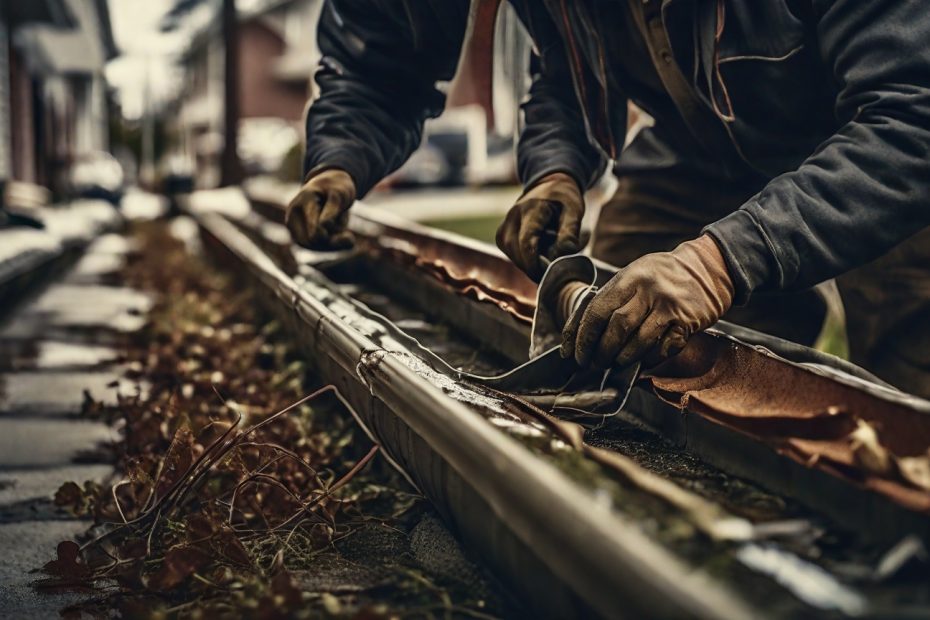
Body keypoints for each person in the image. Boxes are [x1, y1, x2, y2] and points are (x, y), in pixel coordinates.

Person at [493, 1, 930, 397]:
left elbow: (913, 123)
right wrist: (555, 169)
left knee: (906, 395)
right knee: (620, 321)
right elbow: (564, 68)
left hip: (883, 148)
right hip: (705, 149)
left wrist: (718, 263)